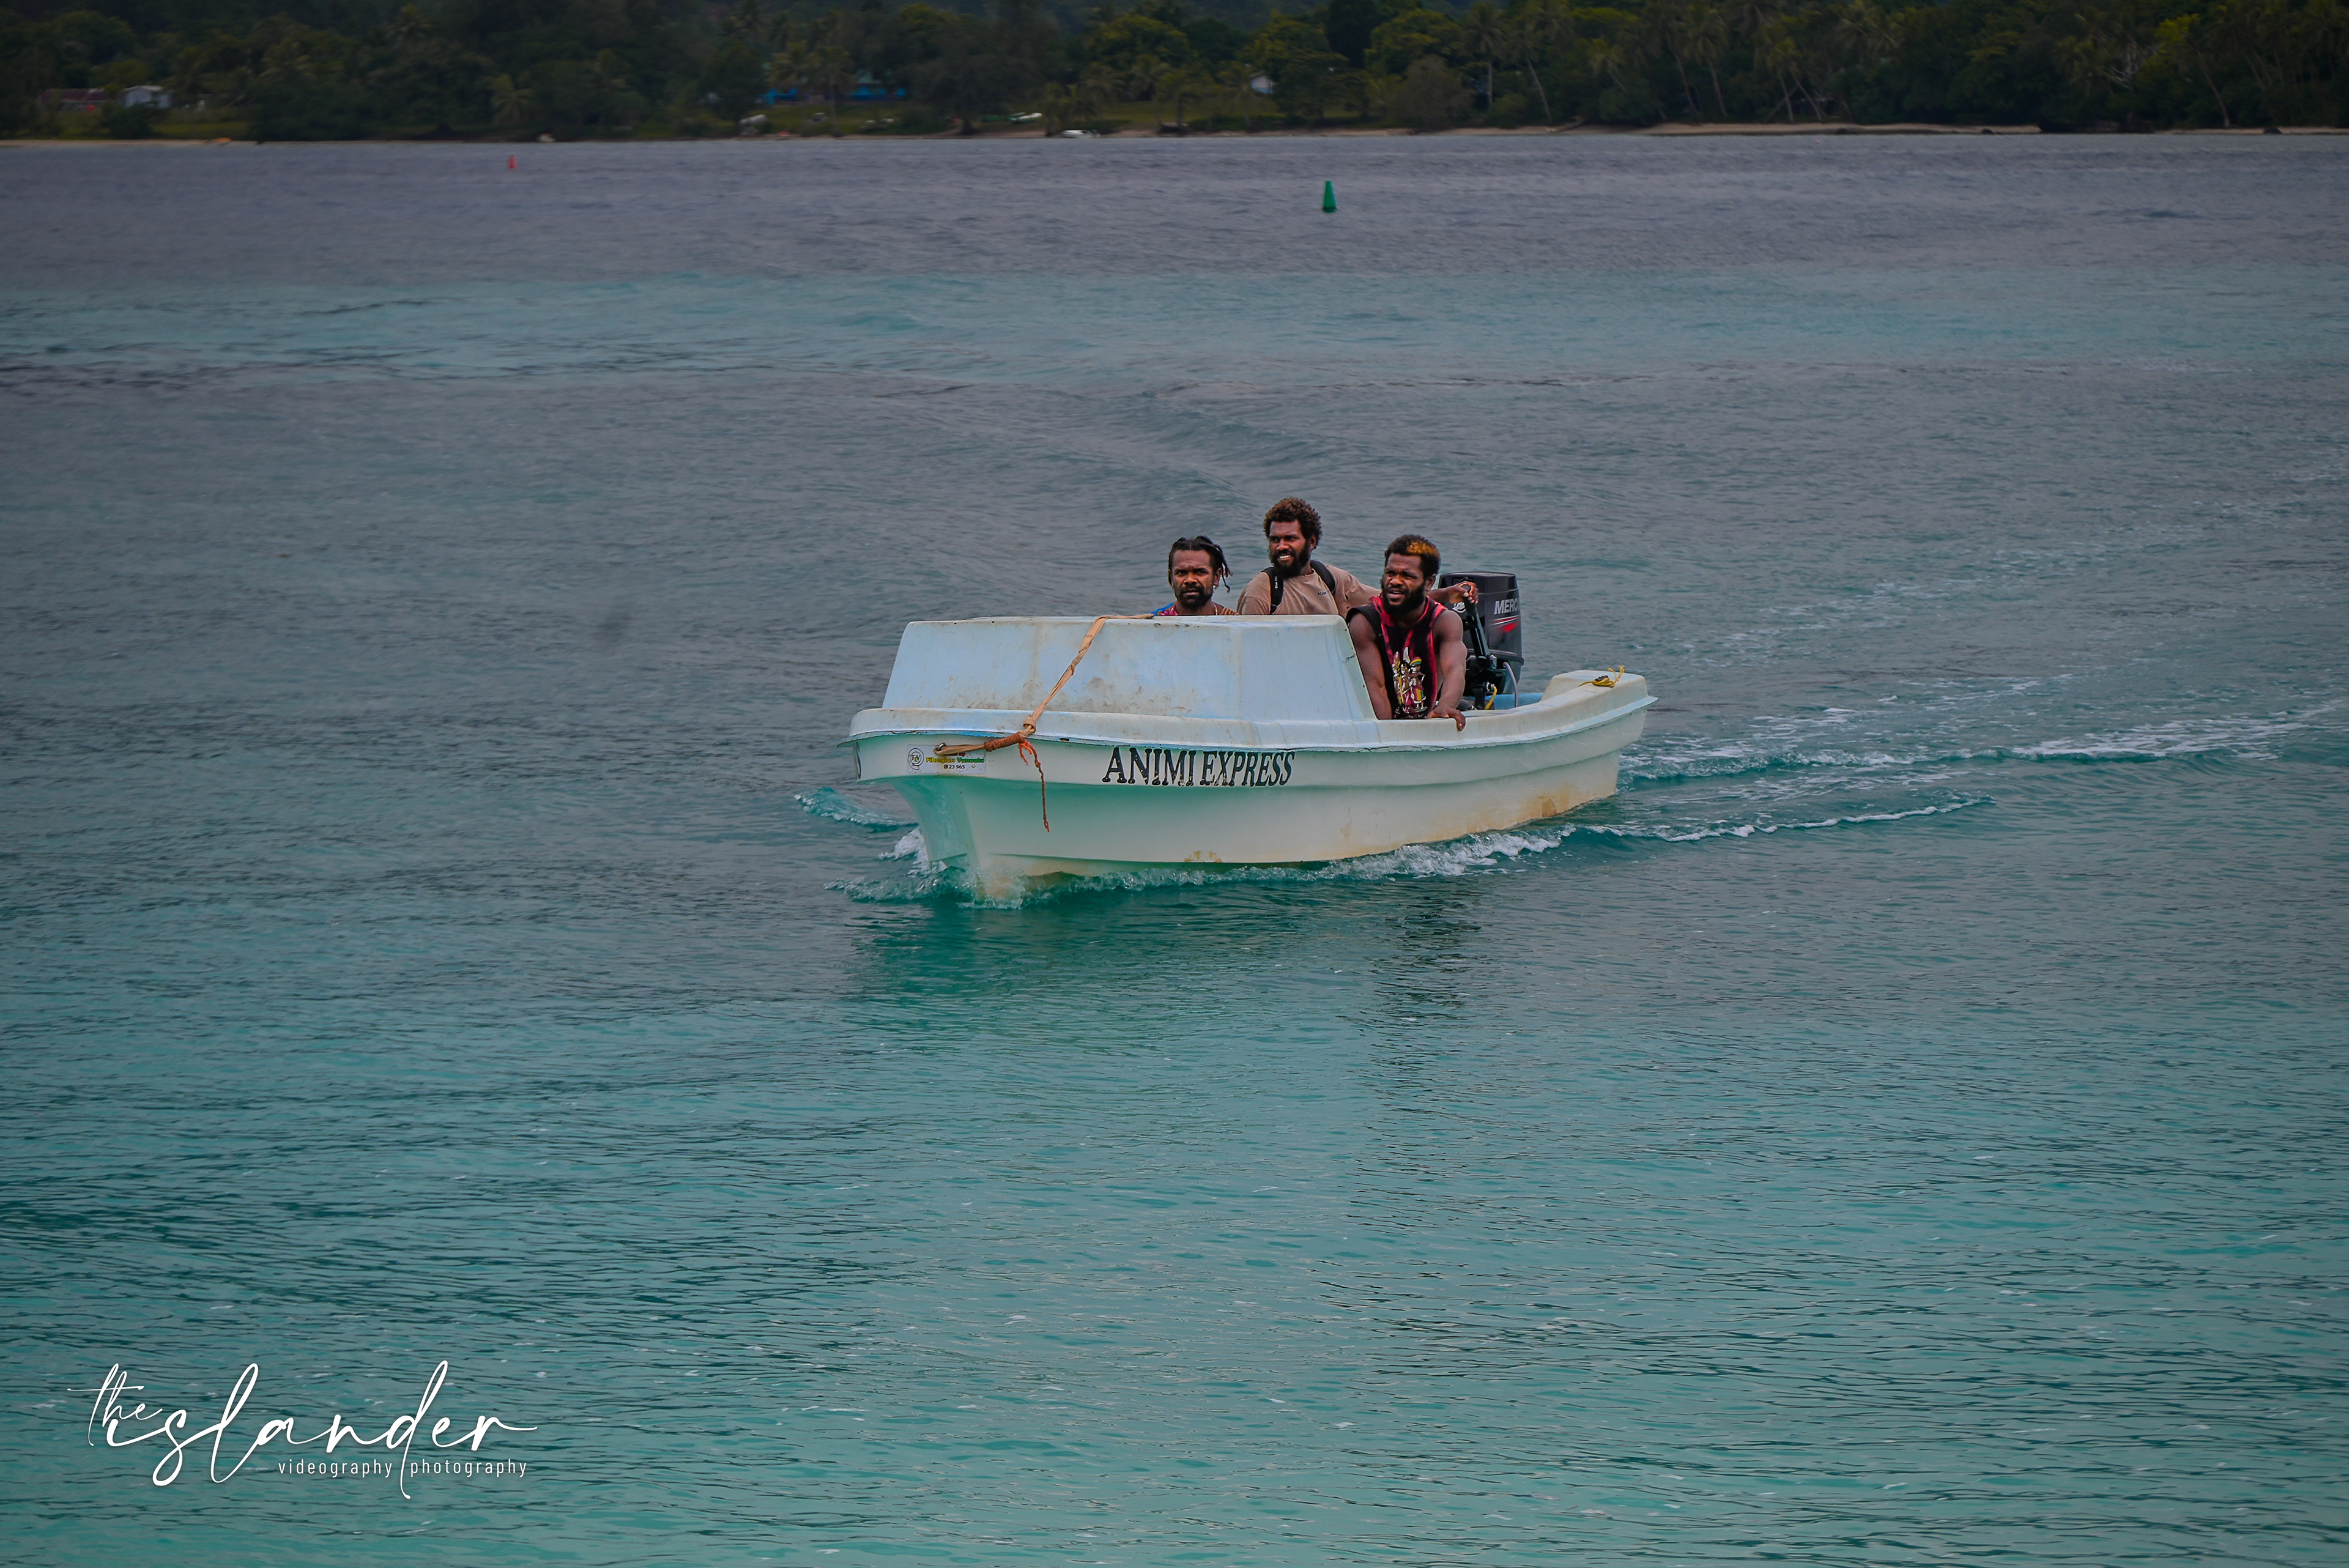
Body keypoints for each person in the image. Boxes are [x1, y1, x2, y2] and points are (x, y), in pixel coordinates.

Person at [1236, 496, 1478, 619]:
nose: (1281, 546)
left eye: (1290, 538)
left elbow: (1390, 602)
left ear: (1312, 541)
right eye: (1275, 539)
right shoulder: (1263, 591)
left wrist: (1446, 594)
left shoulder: (1331, 579)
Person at [1348, 533, 1468, 729]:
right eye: (1390, 573)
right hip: (1380, 724)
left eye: (1407, 576)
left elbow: (1455, 669)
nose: (1395, 581)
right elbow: (1375, 687)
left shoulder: (1444, 622)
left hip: (1427, 717)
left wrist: (1446, 707)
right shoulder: (1365, 622)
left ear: (1429, 583)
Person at [1154, 536, 1236, 617]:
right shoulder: (1152, 624)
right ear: (1171, 578)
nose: (1190, 580)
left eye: (1200, 572)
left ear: (1216, 577)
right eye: (1181, 573)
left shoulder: (1234, 623)